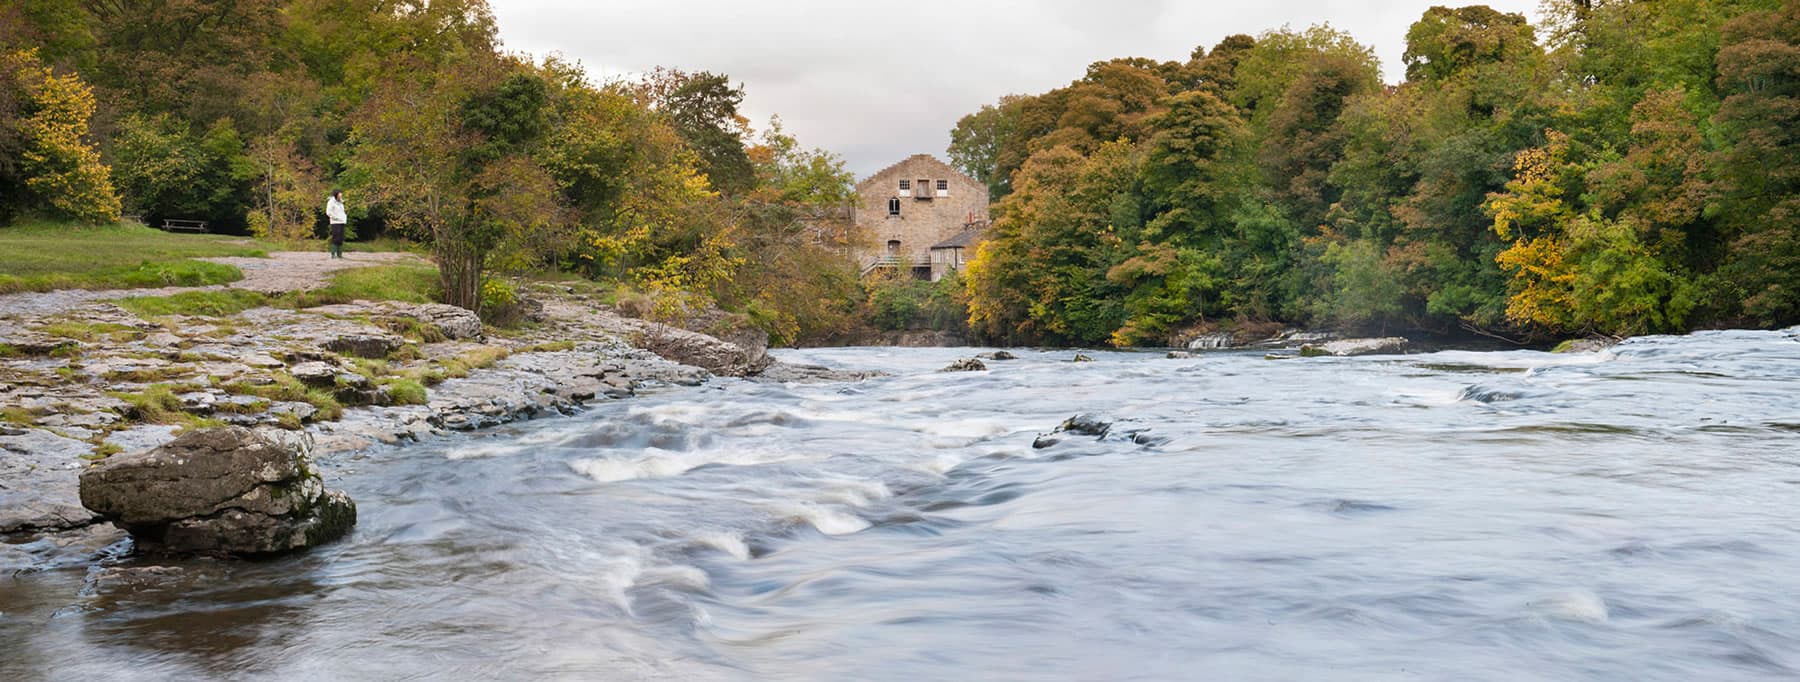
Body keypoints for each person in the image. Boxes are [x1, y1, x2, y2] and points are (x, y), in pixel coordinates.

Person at [325, 189, 348, 259]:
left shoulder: (341, 202)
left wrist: (343, 218)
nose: (341, 195)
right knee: (336, 238)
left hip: (342, 221)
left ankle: (339, 254)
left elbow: (341, 212)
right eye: (339, 194)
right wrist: (336, 218)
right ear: (336, 194)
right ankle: (333, 254)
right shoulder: (331, 202)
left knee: (341, 238)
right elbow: (328, 212)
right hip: (335, 222)